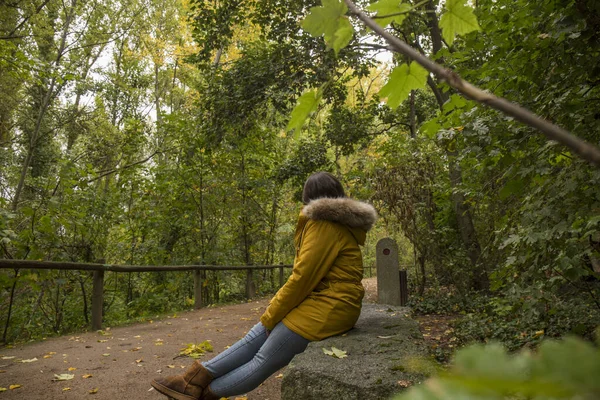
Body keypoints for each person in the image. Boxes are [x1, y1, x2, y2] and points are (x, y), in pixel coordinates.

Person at [151, 171, 377, 400]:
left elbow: (301, 279)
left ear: (308, 197)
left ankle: (203, 395)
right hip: (325, 302)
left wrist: (272, 314)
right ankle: (192, 380)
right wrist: (272, 316)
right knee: (254, 338)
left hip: (331, 306)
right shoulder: (335, 225)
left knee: (262, 360)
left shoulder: (325, 225)